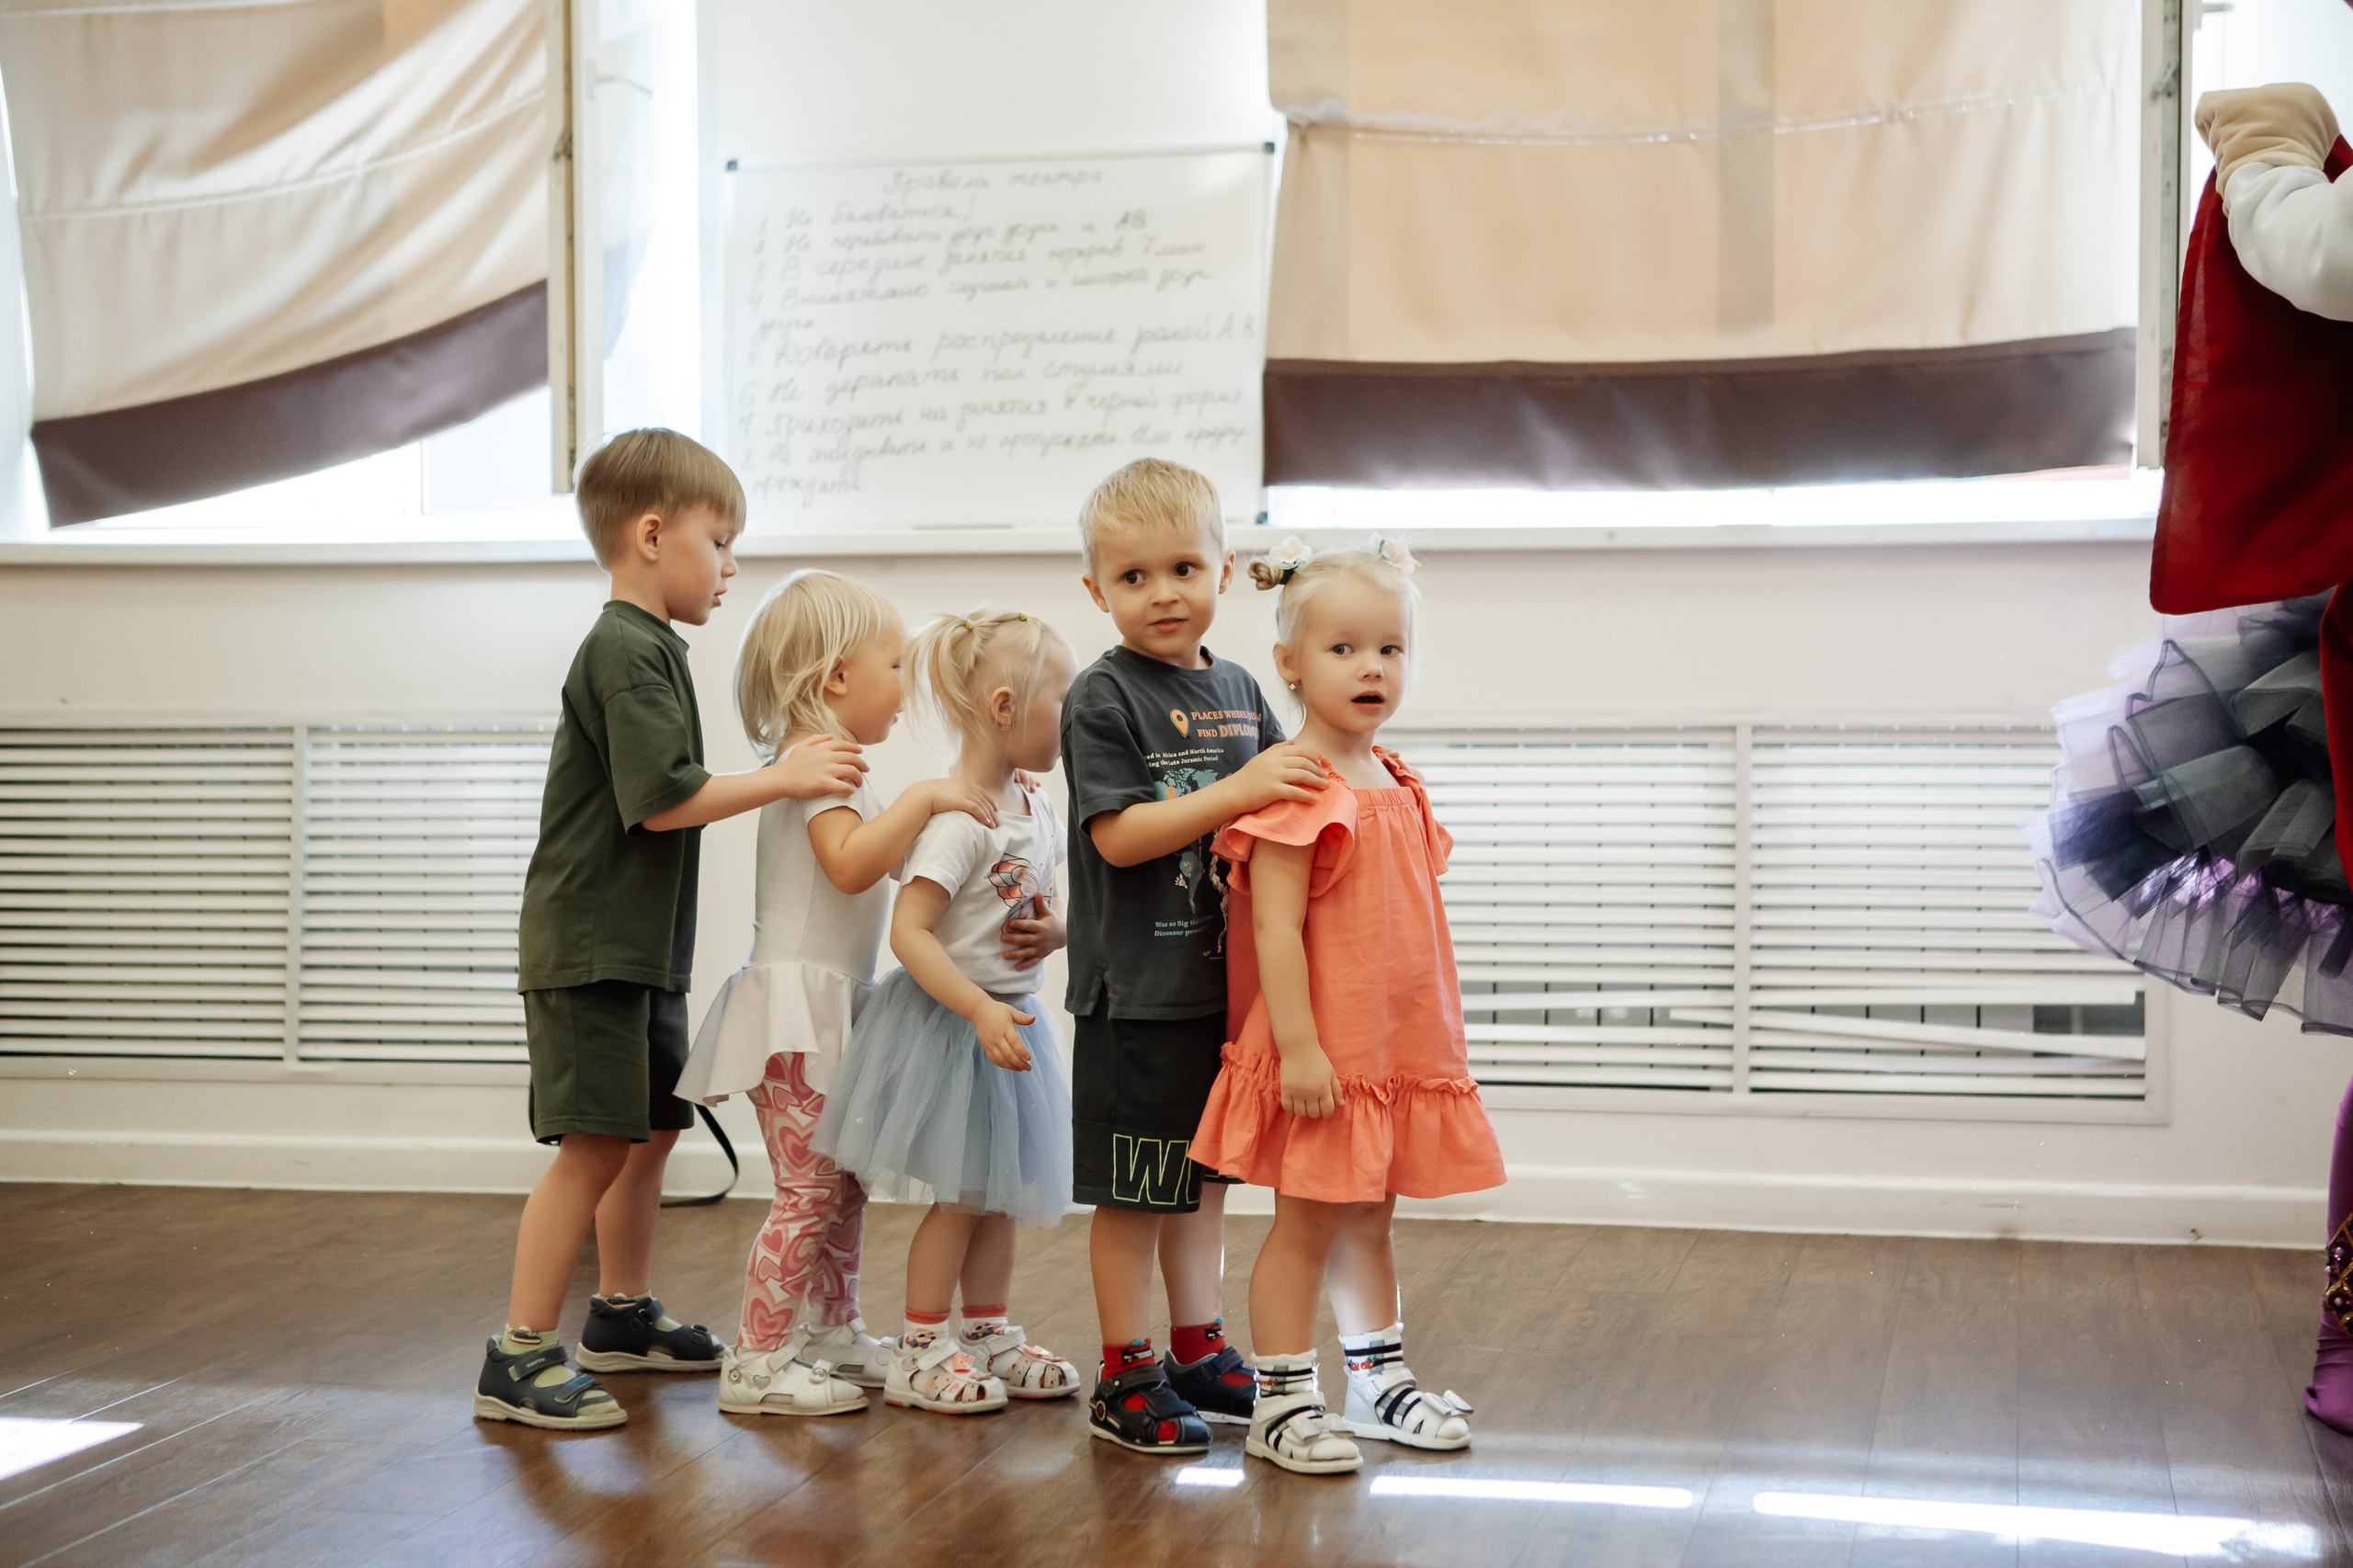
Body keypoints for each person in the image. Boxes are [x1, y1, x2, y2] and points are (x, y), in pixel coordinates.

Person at [475, 430, 870, 1432]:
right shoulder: (622, 648)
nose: (730, 564)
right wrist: (784, 774)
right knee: (594, 1145)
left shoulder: (654, 647)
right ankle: (518, 1352)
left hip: (639, 952)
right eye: (720, 539)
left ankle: (619, 1313)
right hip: (591, 951)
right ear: (653, 533)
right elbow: (661, 801)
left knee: (650, 1130)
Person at [1191, 539, 1506, 1476]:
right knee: (1308, 1219)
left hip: (1393, 1047)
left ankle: (1377, 1375)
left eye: (1390, 648)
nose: (1371, 666)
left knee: (1373, 1212)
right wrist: (1296, 1046)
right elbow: (1274, 931)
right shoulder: (1296, 784)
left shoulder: (1397, 779)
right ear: (1289, 663)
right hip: (1323, 1050)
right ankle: (1283, 1394)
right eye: (1343, 649)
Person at [675, 569, 1006, 1417]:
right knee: (810, 1191)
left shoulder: (842, 771)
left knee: (841, 1183)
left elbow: (896, 859)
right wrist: (932, 792)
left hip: (829, 1004)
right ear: (834, 679)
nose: (904, 687)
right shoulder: (813, 765)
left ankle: (829, 1329)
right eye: (894, 665)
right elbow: (854, 863)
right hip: (795, 1011)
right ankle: (756, 1359)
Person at [1062, 459, 1330, 1455]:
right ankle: (1124, 1370)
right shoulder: (1102, 697)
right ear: (1098, 591)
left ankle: (1194, 1346)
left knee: (1204, 1183)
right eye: (1133, 577)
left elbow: (1285, 804)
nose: (1163, 592)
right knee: (1138, 1191)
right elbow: (1120, 836)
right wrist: (1239, 789)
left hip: (1223, 996)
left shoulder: (1237, 687)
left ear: (1222, 568)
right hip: (1135, 997)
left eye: (1183, 566)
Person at [813, 608, 1084, 1415]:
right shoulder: (959, 823)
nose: (1076, 719)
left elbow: (1041, 903)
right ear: (1005, 708)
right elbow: (911, 933)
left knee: (999, 1193)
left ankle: (988, 1329)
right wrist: (975, 1008)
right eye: (1062, 701)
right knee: (962, 1198)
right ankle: (924, 1345)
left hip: (1011, 1022)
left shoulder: (1034, 804)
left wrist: (1058, 930)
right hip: (956, 1028)